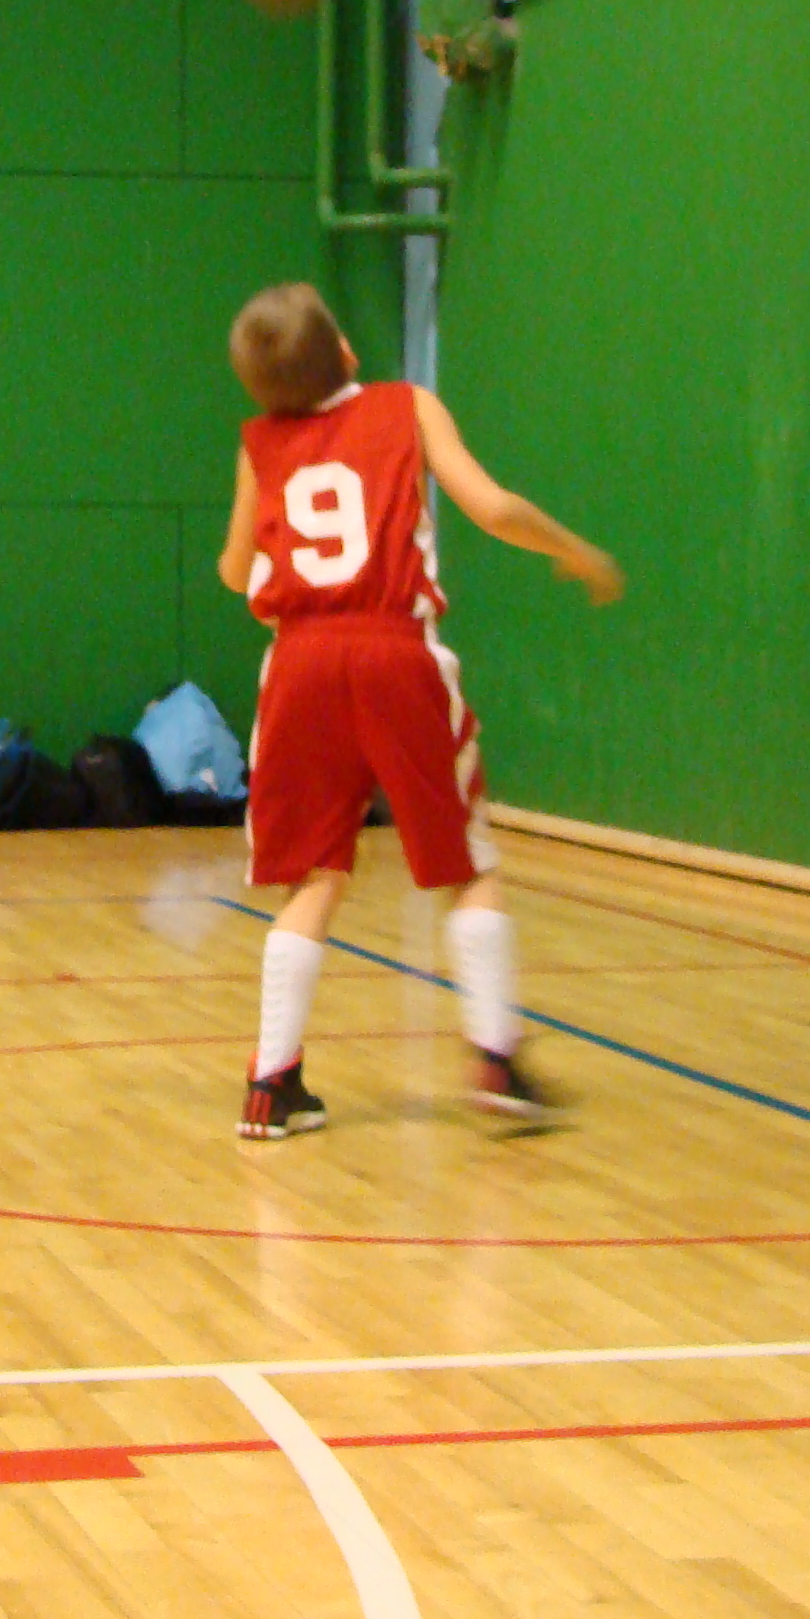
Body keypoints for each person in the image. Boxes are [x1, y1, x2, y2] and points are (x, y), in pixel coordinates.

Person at [218, 283, 623, 1139]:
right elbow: (494, 508)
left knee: (313, 876)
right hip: (394, 650)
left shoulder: (260, 446)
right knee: (467, 866)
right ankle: (497, 1062)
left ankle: (271, 1084)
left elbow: (232, 569)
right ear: (347, 353)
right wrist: (576, 551)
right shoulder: (407, 406)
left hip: (299, 663)